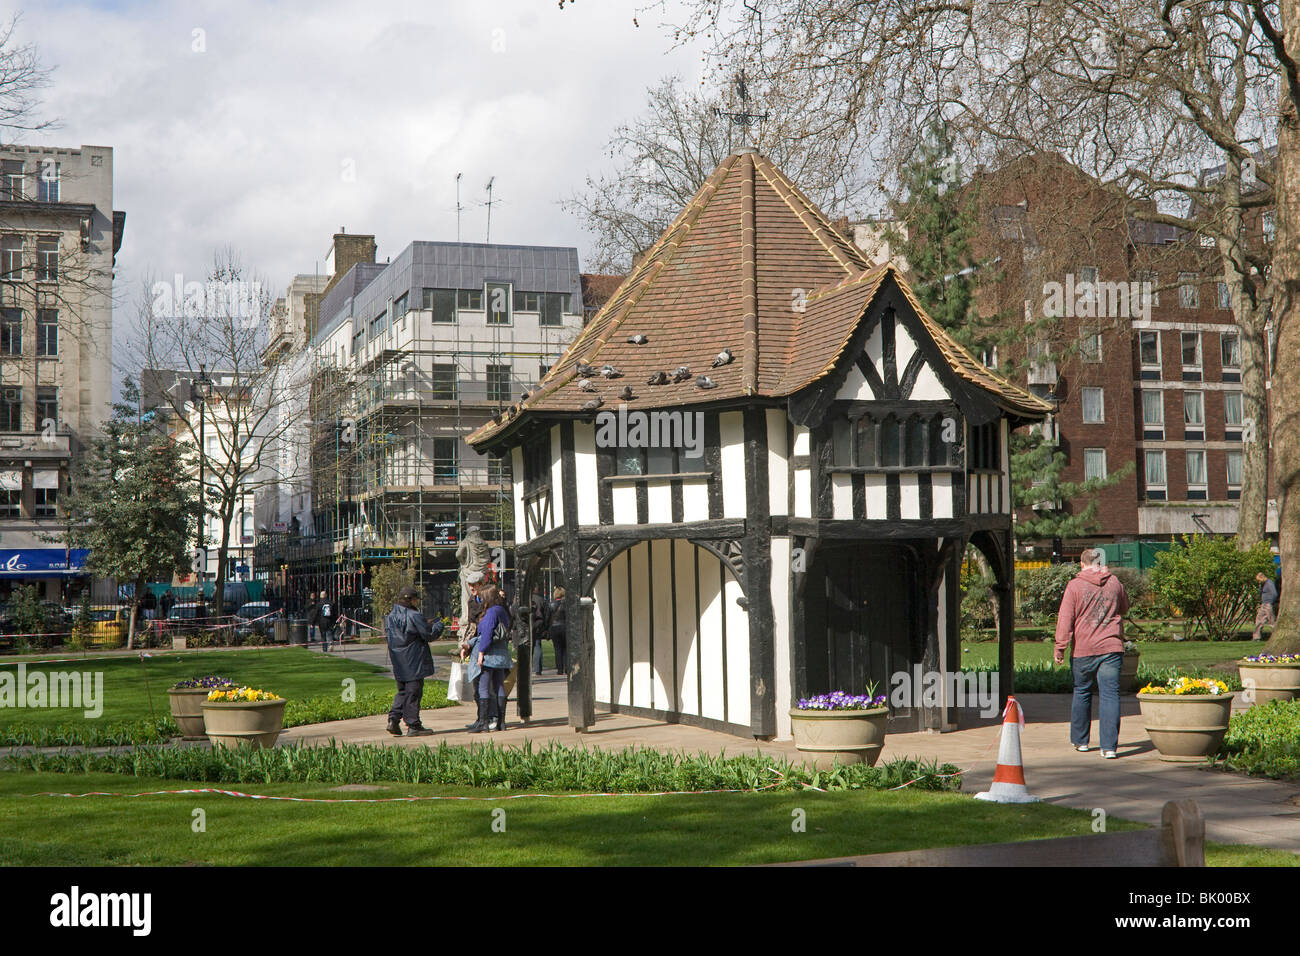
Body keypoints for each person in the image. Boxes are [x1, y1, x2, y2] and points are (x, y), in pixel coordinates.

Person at [1055, 549, 1130, 759]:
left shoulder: (1074, 585)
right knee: (1110, 695)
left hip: (1083, 649)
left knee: (1082, 691)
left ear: (1081, 564)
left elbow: (1065, 618)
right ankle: (1109, 748)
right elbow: (1125, 607)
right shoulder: (1114, 582)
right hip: (1111, 647)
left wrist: (1060, 647)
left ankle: (1081, 742)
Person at [384, 585, 442, 737]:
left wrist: (425, 623)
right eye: (416, 599)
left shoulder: (390, 616)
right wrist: (438, 625)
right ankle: (413, 724)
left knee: (403, 691)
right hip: (413, 659)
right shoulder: (413, 615)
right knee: (413, 693)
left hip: (398, 659)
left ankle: (393, 719)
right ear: (410, 600)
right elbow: (428, 635)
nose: (417, 602)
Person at [468, 584, 512, 733]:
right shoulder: (502, 611)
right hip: (502, 654)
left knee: (483, 686)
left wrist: (481, 653)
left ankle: (483, 722)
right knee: (499, 685)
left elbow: (486, 634)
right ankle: (501, 722)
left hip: (490, 655)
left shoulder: (491, 613)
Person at [1253, 571, 1280, 641]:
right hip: (1264, 604)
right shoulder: (1262, 584)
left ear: (1262, 578)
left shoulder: (1269, 583)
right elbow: (1260, 592)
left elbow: (1274, 593)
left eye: (1259, 580)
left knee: (1271, 620)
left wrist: (1271, 602)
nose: (1259, 582)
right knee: (1259, 619)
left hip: (1268, 604)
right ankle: (1256, 636)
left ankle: (1275, 636)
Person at [530, 586, 550, 676]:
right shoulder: (540, 599)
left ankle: (530, 668)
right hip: (538, 624)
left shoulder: (522, 598)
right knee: (537, 645)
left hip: (529, 624)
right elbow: (546, 613)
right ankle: (538, 668)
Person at [548, 586, 568, 675]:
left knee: (557, 649)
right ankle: (567, 668)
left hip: (554, 627)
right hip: (564, 627)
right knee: (566, 649)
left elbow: (547, 617)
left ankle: (560, 669)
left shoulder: (551, 604)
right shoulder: (566, 604)